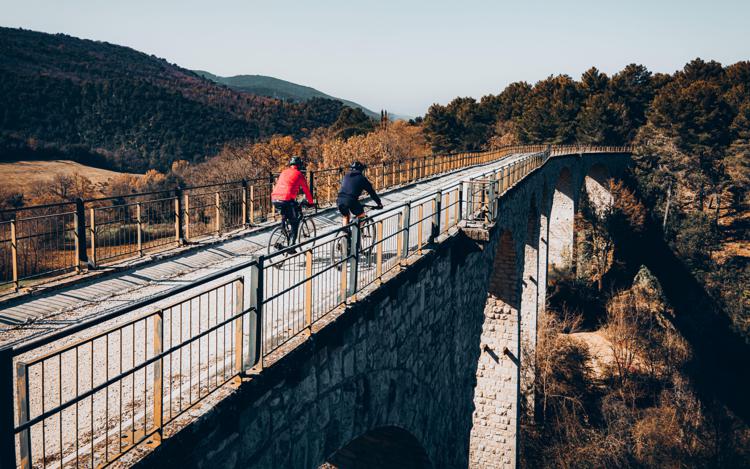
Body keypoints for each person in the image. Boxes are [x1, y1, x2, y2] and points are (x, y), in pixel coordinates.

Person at [271, 156, 314, 245]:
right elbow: (306, 190)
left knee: (286, 212)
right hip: (286, 199)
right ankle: (291, 246)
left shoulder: (283, 172)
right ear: (299, 166)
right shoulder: (299, 174)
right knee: (294, 222)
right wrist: (311, 202)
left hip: (275, 198)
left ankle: (283, 227)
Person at [336, 161, 383, 225]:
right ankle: (357, 233)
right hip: (351, 200)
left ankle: (345, 232)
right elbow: (372, 193)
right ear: (361, 170)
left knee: (346, 216)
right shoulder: (362, 178)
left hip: (339, 199)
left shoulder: (346, 176)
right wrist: (379, 203)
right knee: (361, 215)